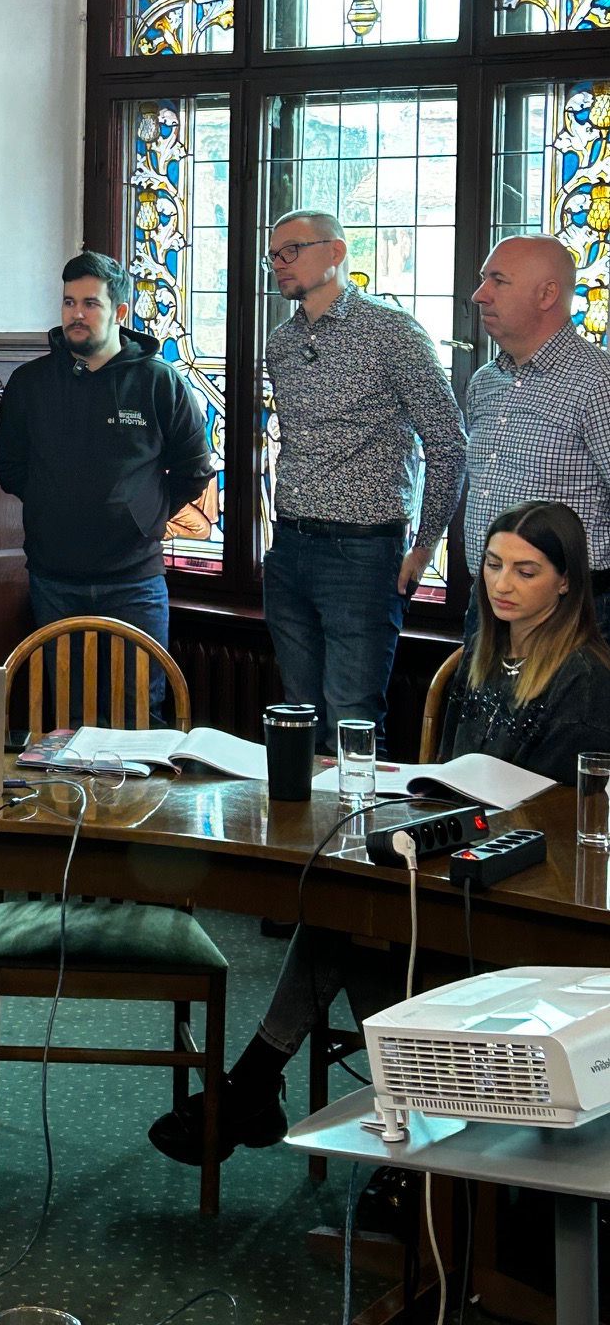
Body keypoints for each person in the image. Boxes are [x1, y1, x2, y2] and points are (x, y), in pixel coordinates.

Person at [149, 498, 610, 1167]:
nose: (502, 584)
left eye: (526, 571)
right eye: (492, 565)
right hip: (456, 870)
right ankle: (416, 1141)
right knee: (342, 910)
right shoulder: (483, 657)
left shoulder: (585, 678)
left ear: (566, 582)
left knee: (344, 929)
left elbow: (562, 817)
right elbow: (450, 778)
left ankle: (275, 1092)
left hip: (524, 904)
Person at [262, 209, 466, 748]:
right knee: (296, 718)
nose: (279, 263)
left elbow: (448, 441)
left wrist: (425, 545)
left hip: (363, 553)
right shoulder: (281, 342)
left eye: (292, 250)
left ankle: (355, 808)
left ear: (335, 252)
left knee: (351, 720)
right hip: (289, 546)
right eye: (273, 254)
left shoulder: (391, 331)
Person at [0, 250, 215, 721]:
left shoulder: (160, 383)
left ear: (119, 311)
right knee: (68, 716)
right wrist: (56, 502)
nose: (76, 314)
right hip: (54, 579)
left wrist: (144, 514)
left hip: (134, 580)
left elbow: (195, 470)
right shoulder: (30, 383)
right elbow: (9, 467)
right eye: (69, 302)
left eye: (90, 303)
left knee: (140, 715)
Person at [466, 235, 610, 631]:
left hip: (571, 610)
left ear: (547, 294)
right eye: (483, 279)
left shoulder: (597, 383)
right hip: (487, 599)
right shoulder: (485, 381)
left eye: (498, 280)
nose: (480, 295)